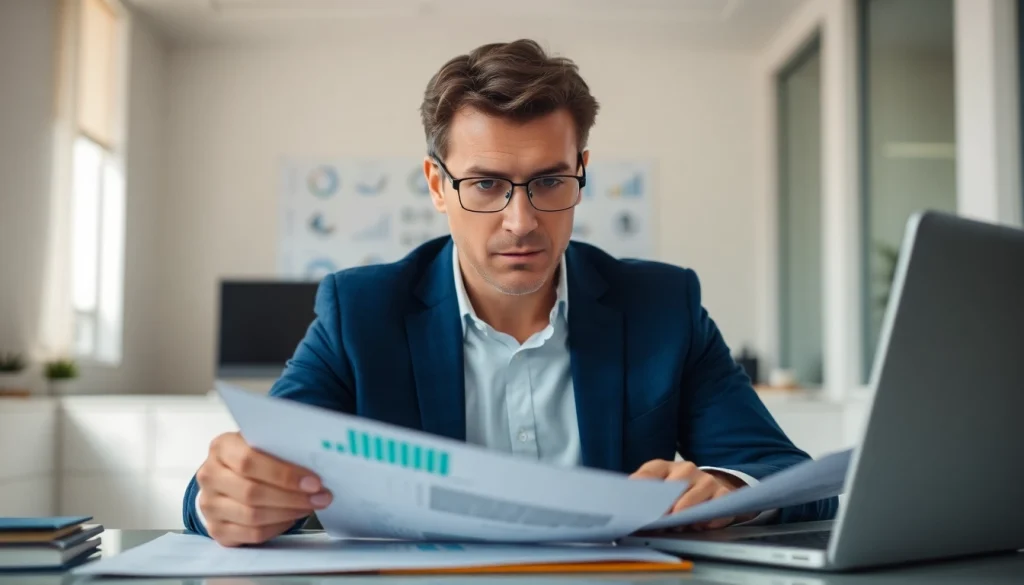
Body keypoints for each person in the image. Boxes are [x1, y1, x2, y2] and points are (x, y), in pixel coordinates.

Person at [183, 39, 838, 547]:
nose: (521, 220)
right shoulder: (361, 312)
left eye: (550, 181)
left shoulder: (661, 306)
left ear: (582, 170)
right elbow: (238, 476)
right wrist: (225, 496)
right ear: (437, 186)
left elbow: (789, 476)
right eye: (486, 184)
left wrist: (723, 488)